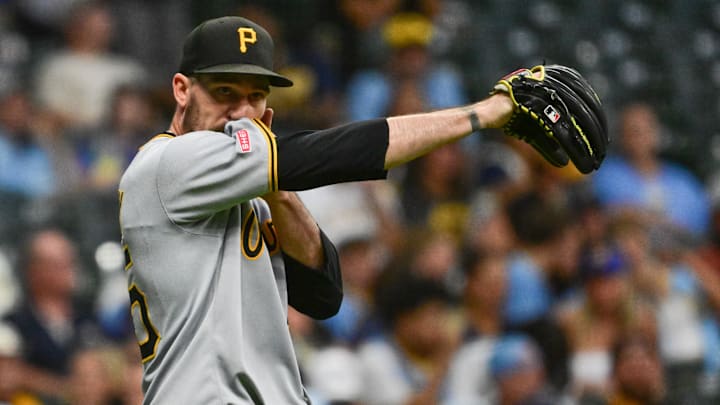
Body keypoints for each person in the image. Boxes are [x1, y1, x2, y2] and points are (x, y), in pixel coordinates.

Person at [117, 15, 532, 405]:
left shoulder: (250, 192)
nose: (241, 114)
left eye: (255, 96)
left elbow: (322, 296)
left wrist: (273, 183)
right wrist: (485, 113)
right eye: (225, 92)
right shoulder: (165, 165)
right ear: (182, 90)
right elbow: (340, 153)